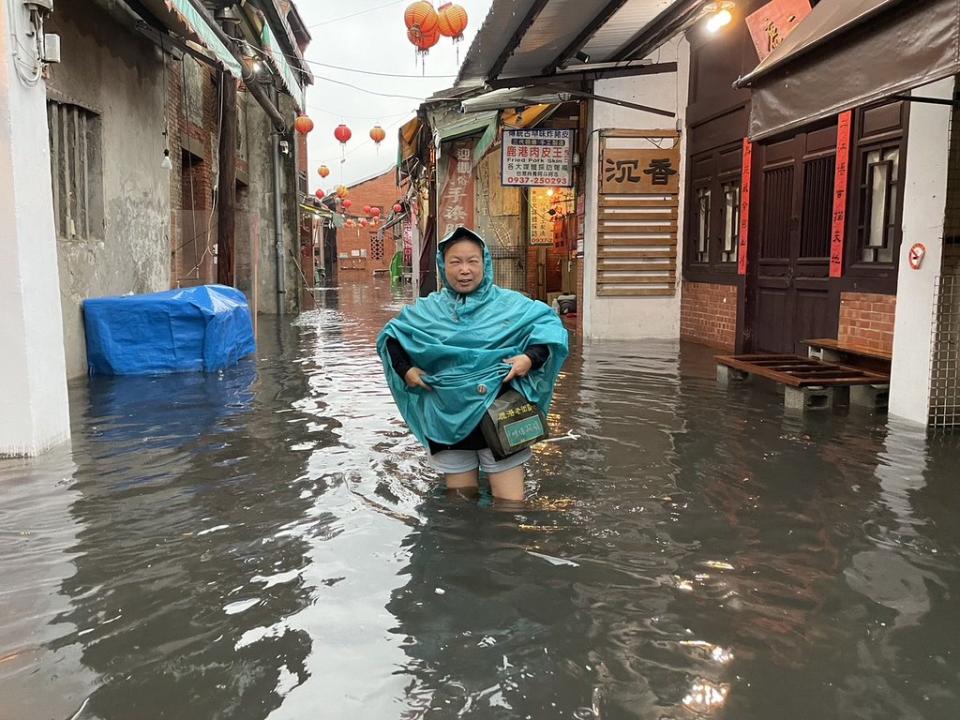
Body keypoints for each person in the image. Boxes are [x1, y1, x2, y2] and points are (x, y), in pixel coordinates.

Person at [378, 227, 569, 502]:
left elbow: (550, 330)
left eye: (472, 261)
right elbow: (392, 337)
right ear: (443, 265)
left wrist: (529, 358)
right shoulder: (426, 311)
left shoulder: (513, 306)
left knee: (510, 504)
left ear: (485, 263)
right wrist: (405, 369)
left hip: (502, 411)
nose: (464, 270)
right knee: (460, 503)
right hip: (448, 413)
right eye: (455, 262)